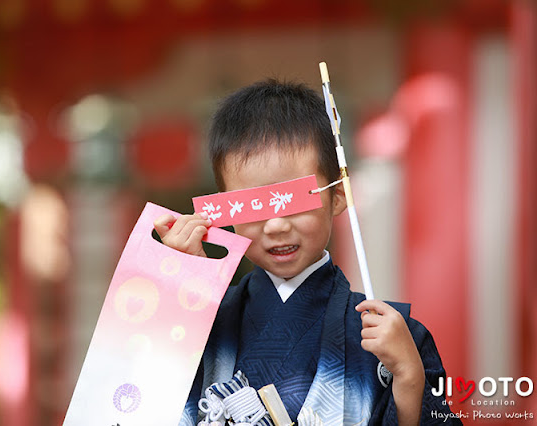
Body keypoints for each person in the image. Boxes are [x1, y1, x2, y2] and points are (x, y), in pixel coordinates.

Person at [154, 79, 459, 425]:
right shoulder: (205, 325)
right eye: (253, 207)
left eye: (293, 201)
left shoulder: (395, 338)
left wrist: (408, 377)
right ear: (225, 209)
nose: (276, 225)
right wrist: (180, 303)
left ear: (339, 195)